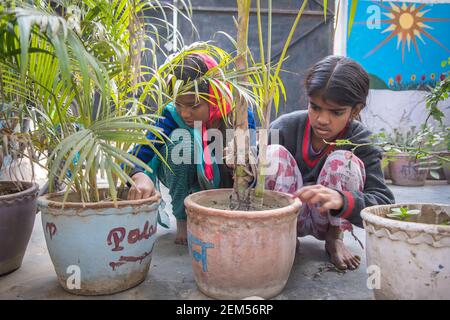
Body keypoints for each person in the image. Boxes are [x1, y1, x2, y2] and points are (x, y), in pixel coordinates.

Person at [266, 55, 395, 270]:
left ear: (356, 110)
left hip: (327, 220)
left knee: (342, 161)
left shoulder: (361, 142)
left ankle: (334, 239)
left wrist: (341, 200)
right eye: (315, 107)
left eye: (336, 112)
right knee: (271, 153)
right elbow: (252, 176)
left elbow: (383, 205)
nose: (322, 119)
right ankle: (285, 237)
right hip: (285, 216)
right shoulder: (284, 127)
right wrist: (241, 160)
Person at [127, 53, 256, 245]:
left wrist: (241, 158)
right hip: (186, 181)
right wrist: (137, 174)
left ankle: (230, 214)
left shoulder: (239, 116)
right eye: (179, 104)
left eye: (194, 106)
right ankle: (183, 218)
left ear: (214, 97)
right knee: (184, 143)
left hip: (226, 185)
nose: (184, 113)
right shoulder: (171, 115)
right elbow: (139, 154)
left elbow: (257, 160)